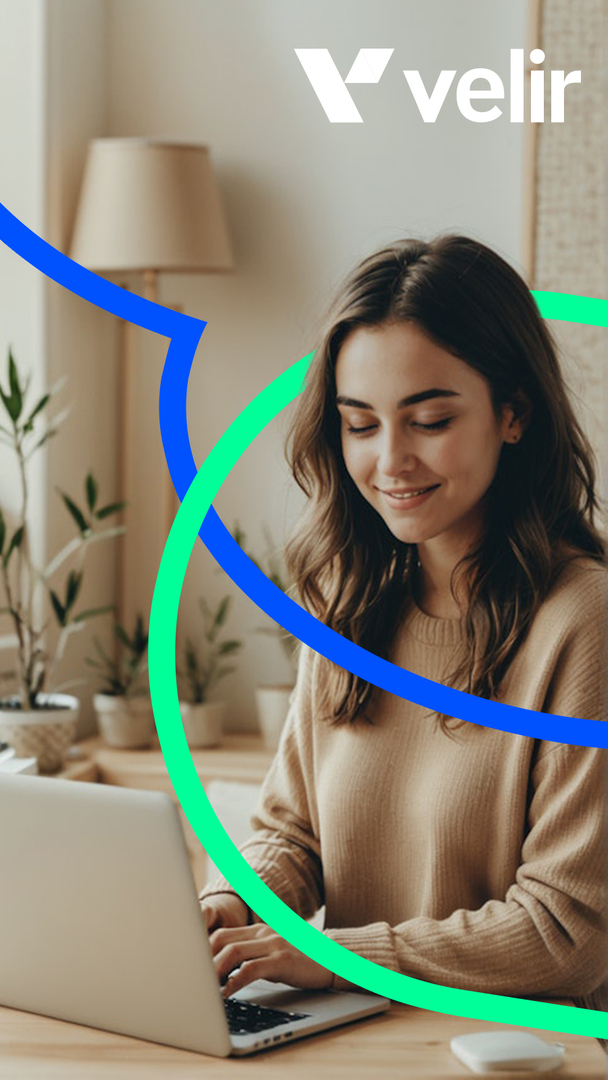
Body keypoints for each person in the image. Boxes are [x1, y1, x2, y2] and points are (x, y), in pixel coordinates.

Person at [199, 235, 608, 1013]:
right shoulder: (350, 605)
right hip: (367, 1040)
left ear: (513, 412)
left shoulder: (583, 621)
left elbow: (568, 937)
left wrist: (334, 953)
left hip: (515, 1057)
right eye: (361, 425)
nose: (391, 461)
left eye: (428, 420)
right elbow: (292, 835)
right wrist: (231, 904)